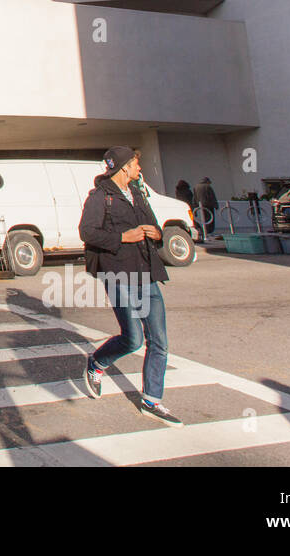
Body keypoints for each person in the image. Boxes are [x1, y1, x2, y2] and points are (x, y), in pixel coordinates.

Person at [78, 146, 181, 427]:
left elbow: (154, 226)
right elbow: (87, 232)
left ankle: (152, 400)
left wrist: (157, 233)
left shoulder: (138, 192)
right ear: (124, 167)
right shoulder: (100, 197)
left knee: (159, 340)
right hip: (118, 273)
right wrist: (124, 236)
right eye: (136, 164)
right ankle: (97, 362)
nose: (139, 169)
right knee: (133, 338)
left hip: (146, 272)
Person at [193, 176, 218, 241]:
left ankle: (205, 232)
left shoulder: (196, 187)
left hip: (201, 205)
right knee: (210, 219)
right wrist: (216, 205)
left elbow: (195, 197)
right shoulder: (208, 187)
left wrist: (195, 205)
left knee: (204, 219)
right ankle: (209, 232)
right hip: (208, 205)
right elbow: (212, 196)